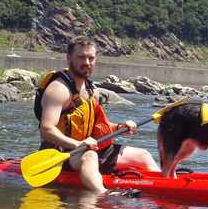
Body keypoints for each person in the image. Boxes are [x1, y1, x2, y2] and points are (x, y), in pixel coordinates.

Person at [35, 36, 160, 193]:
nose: (87, 62)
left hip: (88, 146)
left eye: (91, 58)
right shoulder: (58, 89)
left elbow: (95, 126)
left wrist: (119, 127)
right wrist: (76, 145)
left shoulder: (90, 89)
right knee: (90, 156)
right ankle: (103, 195)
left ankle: (164, 186)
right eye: (81, 57)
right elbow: (46, 129)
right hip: (62, 152)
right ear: (68, 58)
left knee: (143, 155)